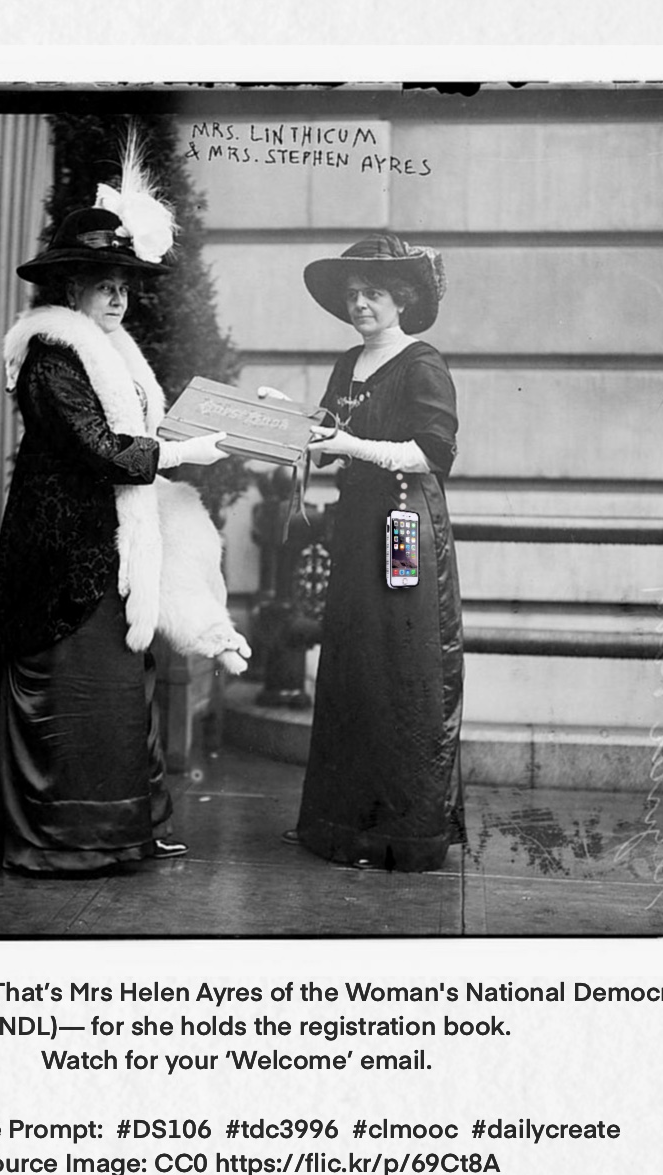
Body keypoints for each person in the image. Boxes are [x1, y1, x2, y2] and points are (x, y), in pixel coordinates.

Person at [0, 188, 249, 875]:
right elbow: (100, 448)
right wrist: (182, 453)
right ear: (70, 288)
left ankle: (121, 833)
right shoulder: (52, 357)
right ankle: (61, 841)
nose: (117, 300)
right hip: (62, 551)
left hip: (116, 542)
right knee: (71, 689)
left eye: (122, 287)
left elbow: (135, 436)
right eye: (101, 286)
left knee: (117, 692)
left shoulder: (116, 354)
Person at [262, 235, 465, 871]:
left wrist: (348, 443)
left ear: (401, 298)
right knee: (349, 664)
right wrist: (282, 419)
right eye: (352, 295)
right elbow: (327, 440)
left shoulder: (422, 362)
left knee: (400, 672)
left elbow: (434, 454)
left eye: (372, 293)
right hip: (355, 527)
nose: (360, 305)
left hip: (404, 530)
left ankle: (400, 833)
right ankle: (339, 824)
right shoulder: (349, 361)